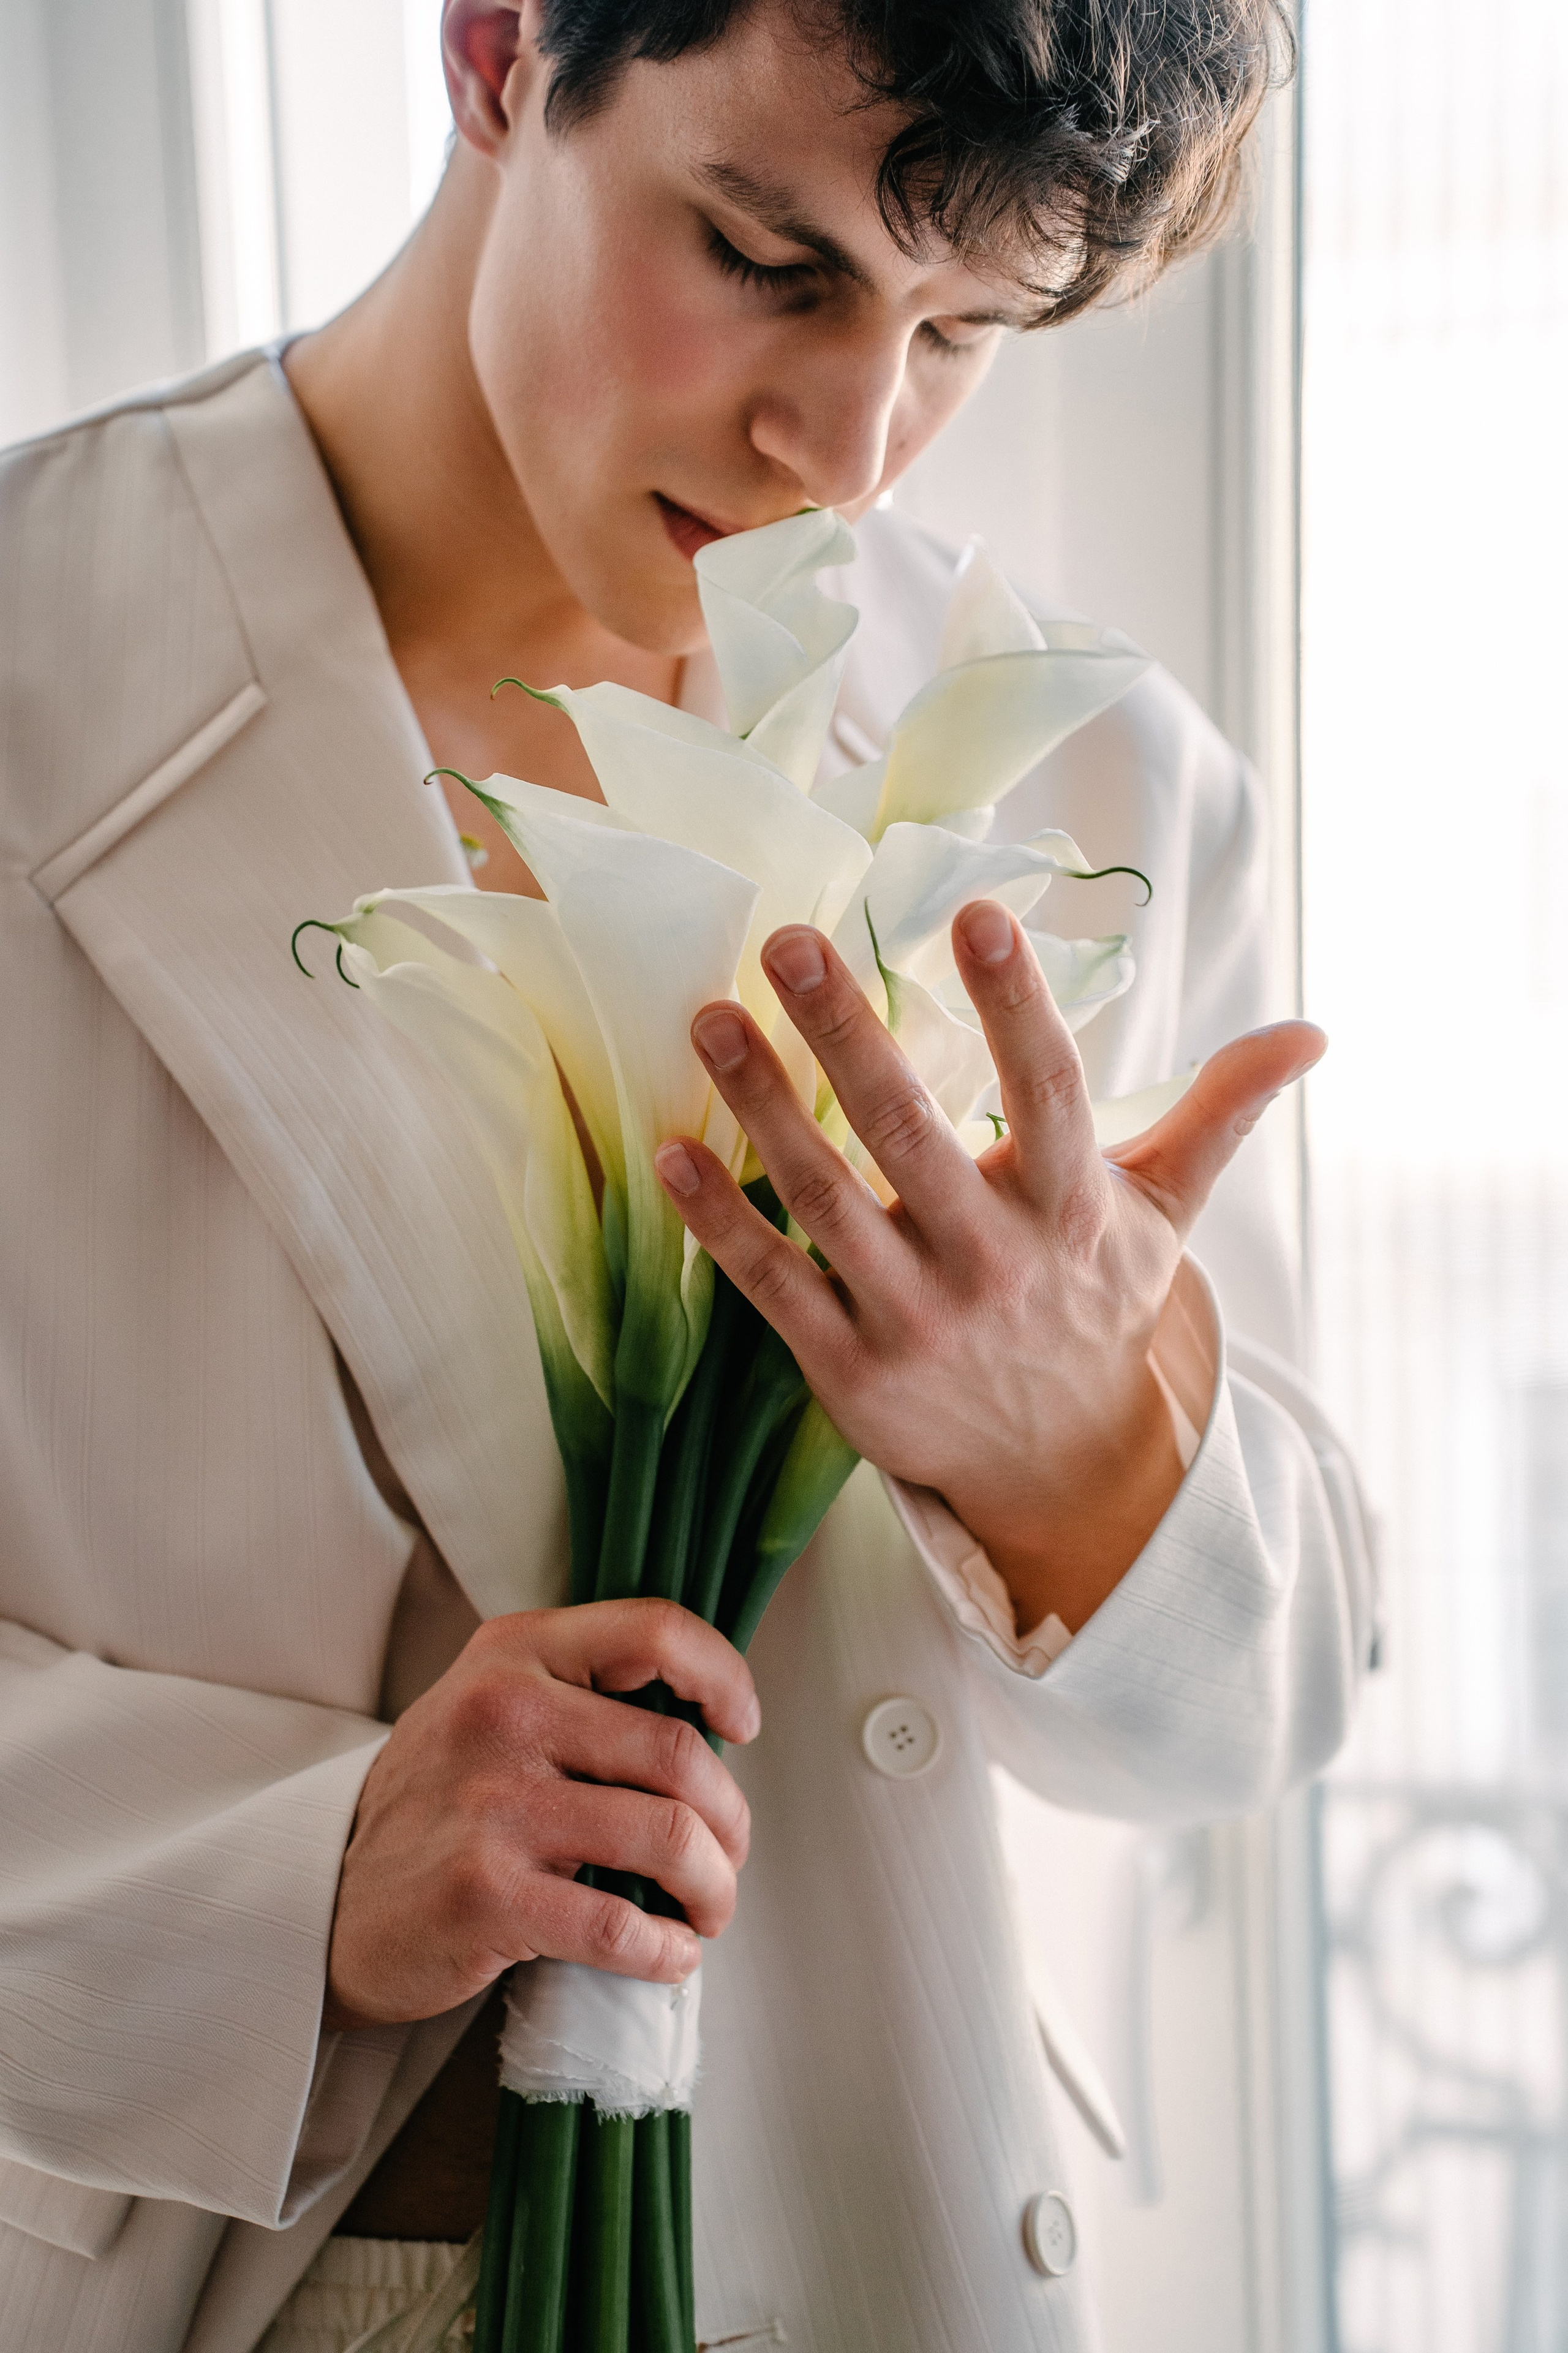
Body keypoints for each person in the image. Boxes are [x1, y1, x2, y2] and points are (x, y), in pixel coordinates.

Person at [0, 2, 1373, 2347]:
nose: (846, 449)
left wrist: (1082, 1462)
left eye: (963, 330)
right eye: (766, 259)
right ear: (498, 47)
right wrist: (296, 1877)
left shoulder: (1091, 776)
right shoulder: (43, 663)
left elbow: (1271, 1702)